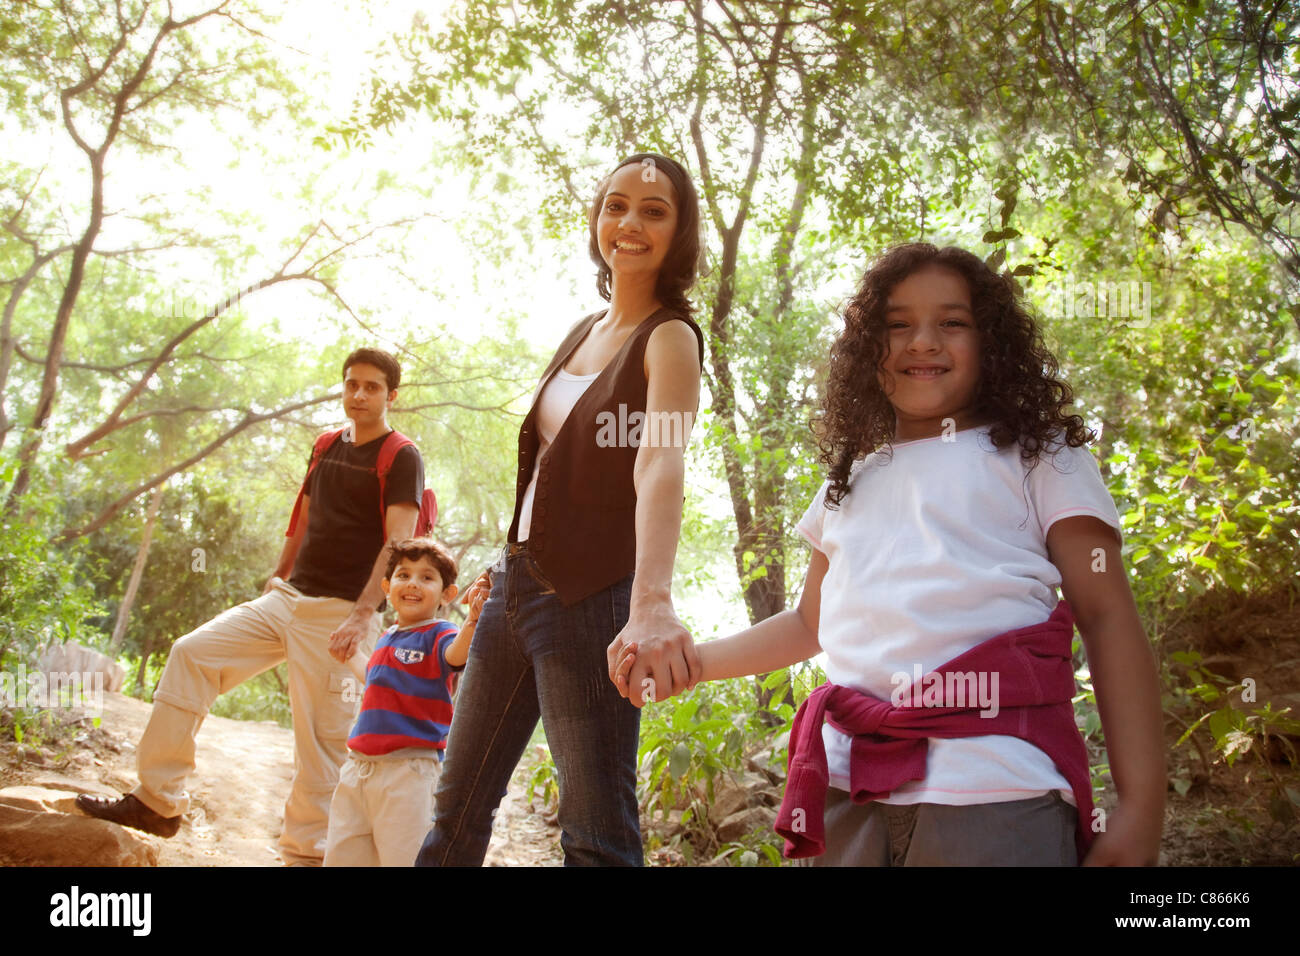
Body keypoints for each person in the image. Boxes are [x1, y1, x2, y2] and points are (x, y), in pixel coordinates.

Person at [616, 243, 1165, 866]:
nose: (922, 341)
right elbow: (808, 626)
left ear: (993, 343)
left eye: (952, 323)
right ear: (866, 352)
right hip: (851, 794)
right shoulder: (848, 482)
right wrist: (690, 664)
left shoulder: (1043, 455)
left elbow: (1105, 616)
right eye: (897, 325)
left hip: (997, 792)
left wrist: (1142, 807)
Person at [416, 153, 705, 867]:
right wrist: (502, 566)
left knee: (595, 832)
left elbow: (660, 460)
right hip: (513, 590)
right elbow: (549, 465)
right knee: (456, 805)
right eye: (615, 204)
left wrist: (652, 603)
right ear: (597, 219)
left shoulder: (670, 338)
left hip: (589, 600)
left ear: (679, 232)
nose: (629, 222)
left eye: (653, 209)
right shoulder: (580, 330)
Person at [77, 348, 425, 866]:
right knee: (192, 654)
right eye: (351, 384)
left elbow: (399, 544)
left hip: (340, 614)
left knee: (322, 745)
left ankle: (306, 856)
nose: (358, 394)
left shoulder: (401, 456)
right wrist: (279, 575)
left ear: (390, 396)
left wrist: (360, 615)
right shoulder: (327, 444)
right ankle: (158, 802)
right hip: (287, 598)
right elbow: (303, 517)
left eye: (371, 387)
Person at [323, 538, 489, 867]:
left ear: (447, 595)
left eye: (426, 577)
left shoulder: (441, 632)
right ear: (387, 587)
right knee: (344, 856)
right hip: (358, 769)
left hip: (409, 772)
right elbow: (373, 677)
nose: (412, 583)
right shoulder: (388, 636)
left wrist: (472, 622)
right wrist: (349, 654)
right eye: (403, 575)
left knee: (404, 858)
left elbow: (456, 656)